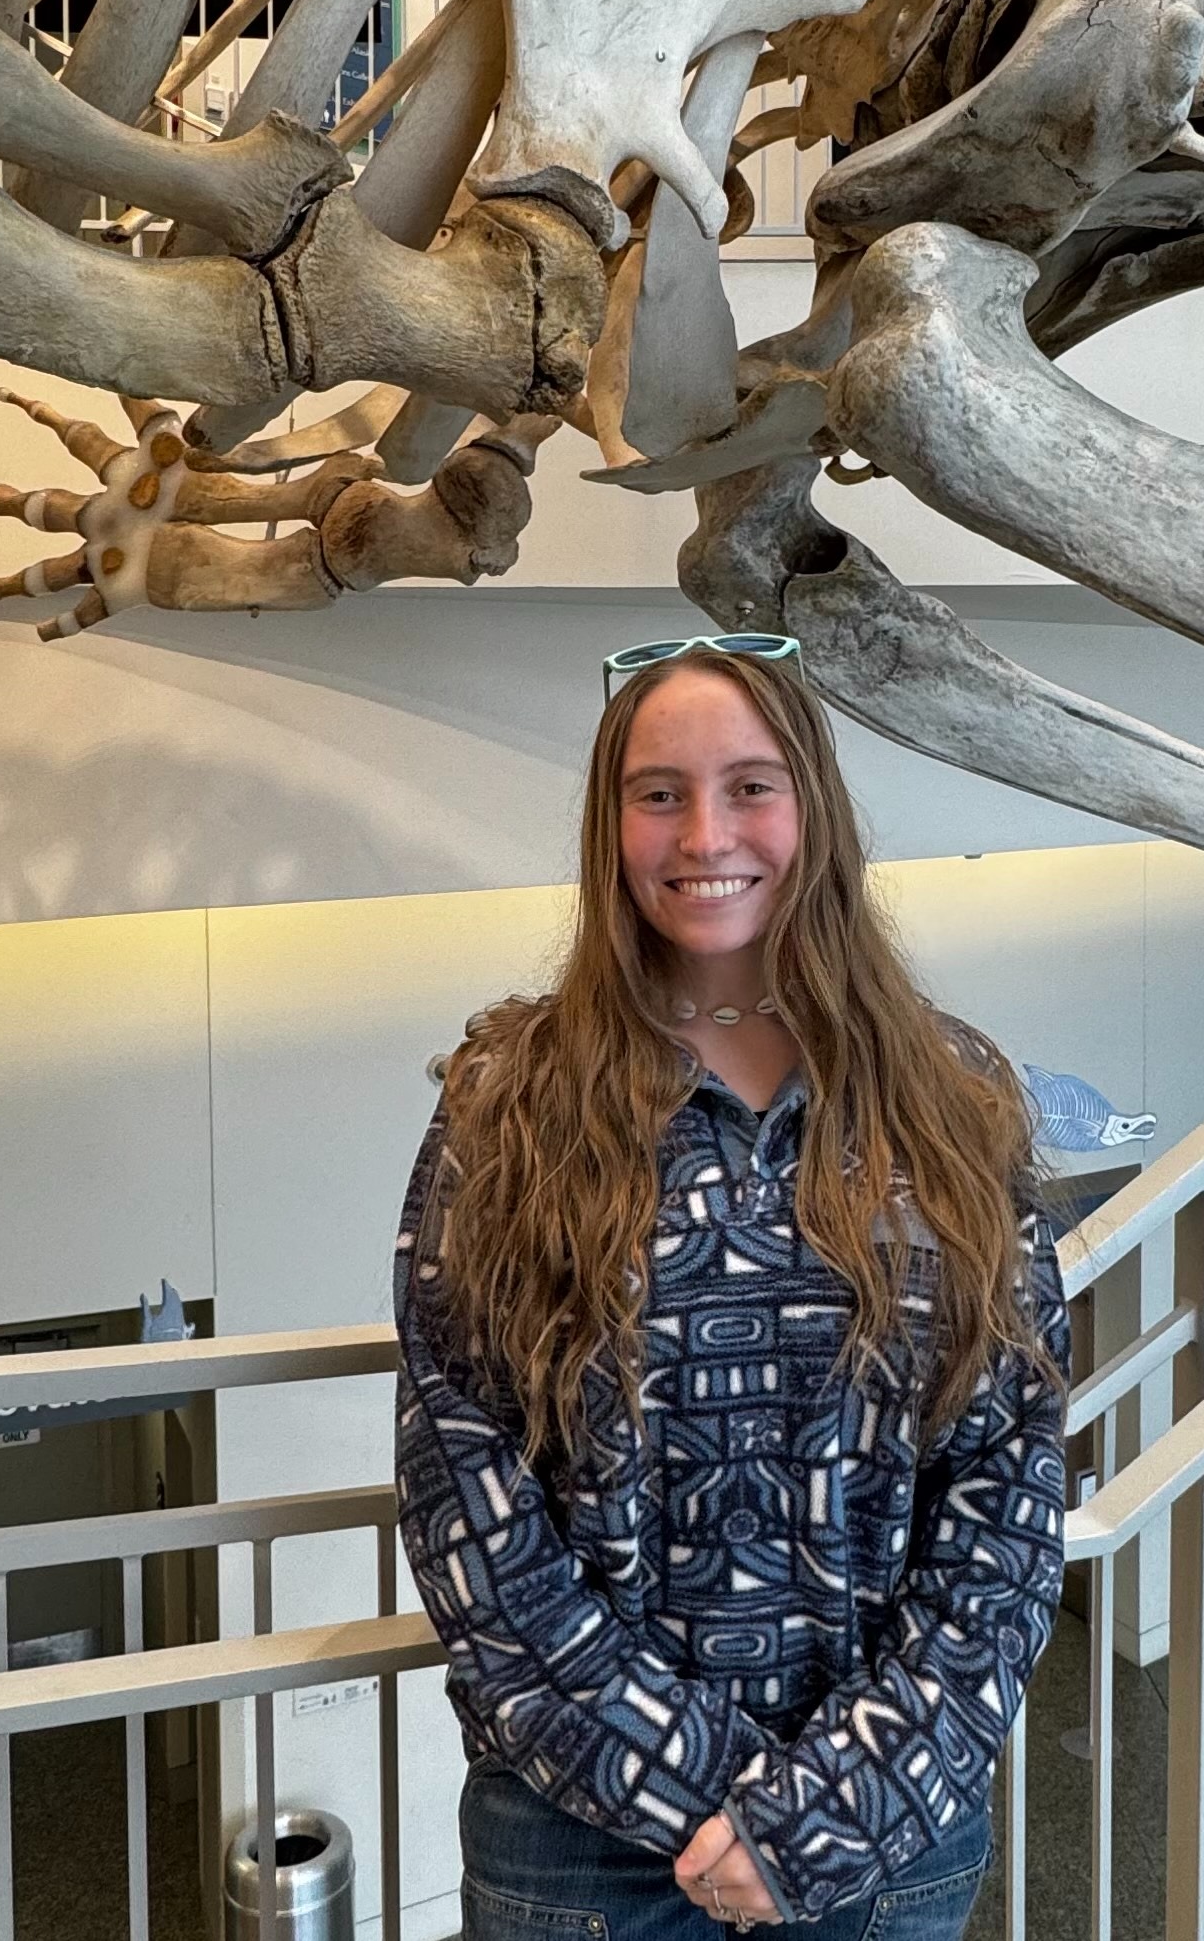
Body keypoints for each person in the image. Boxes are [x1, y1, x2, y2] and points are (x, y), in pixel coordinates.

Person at [393, 633, 1069, 1939]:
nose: (706, 830)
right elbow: (459, 1479)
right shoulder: (508, 1098)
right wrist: (701, 1797)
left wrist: (827, 1810)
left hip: (883, 1829)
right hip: (581, 1844)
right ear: (611, 825)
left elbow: (1007, 1475)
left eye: (750, 784)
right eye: (659, 792)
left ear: (810, 807)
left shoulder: (950, 1093)